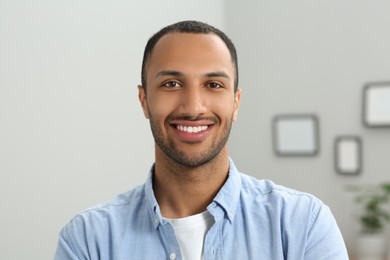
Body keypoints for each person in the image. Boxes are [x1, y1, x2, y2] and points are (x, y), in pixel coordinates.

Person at [54, 20, 349, 260]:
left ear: (236, 102)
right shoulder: (87, 239)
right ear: (144, 100)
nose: (194, 107)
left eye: (213, 84)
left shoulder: (303, 224)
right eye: (171, 84)